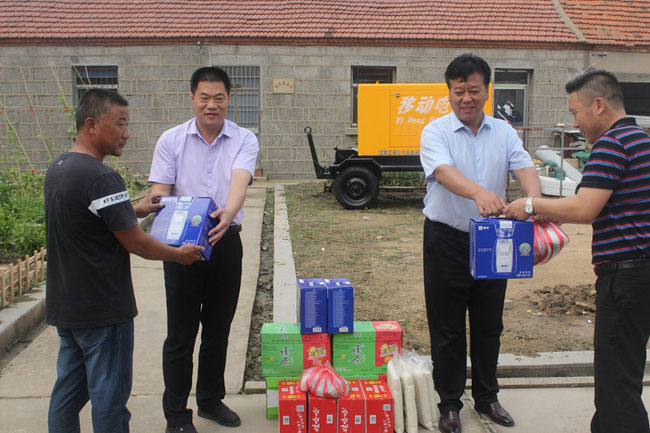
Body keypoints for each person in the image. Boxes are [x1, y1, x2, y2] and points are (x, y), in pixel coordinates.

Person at [45, 89, 204, 433]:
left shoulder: (59, 167)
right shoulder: (102, 177)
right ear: (91, 125)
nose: (126, 133)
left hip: (67, 306)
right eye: (119, 123)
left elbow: (89, 217)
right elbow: (137, 243)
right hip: (103, 309)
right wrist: (179, 255)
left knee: (67, 396)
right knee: (110, 399)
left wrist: (134, 209)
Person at [506, 70, 650, 433]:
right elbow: (611, 207)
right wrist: (553, 213)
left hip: (624, 278)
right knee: (624, 374)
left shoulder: (612, 143)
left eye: (575, 112)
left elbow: (585, 207)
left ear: (599, 105)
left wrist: (529, 205)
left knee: (616, 387)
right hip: (641, 274)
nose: (574, 123)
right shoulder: (641, 141)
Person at [420, 53, 543, 433]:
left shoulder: (503, 132)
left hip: (493, 241)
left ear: (487, 91)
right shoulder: (435, 132)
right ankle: (449, 403)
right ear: (449, 93)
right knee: (447, 328)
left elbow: (524, 167)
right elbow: (443, 172)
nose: (466, 98)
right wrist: (478, 193)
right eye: (459, 91)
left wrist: (533, 201)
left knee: (489, 325)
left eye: (473, 90)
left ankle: (488, 397)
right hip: (446, 240)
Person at [148, 66, 259, 433]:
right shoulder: (171, 140)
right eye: (204, 97)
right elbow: (160, 191)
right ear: (192, 98)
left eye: (219, 98)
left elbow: (240, 179)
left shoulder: (244, 139)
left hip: (226, 242)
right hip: (182, 248)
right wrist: (155, 204)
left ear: (229, 99)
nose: (212, 105)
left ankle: (210, 400)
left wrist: (228, 211)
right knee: (180, 333)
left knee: (218, 328)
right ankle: (177, 416)